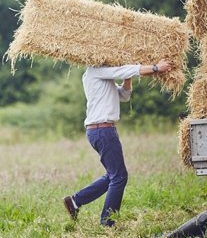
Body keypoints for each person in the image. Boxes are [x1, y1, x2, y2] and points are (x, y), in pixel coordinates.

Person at [62, 60, 175, 227]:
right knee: (120, 177)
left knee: (113, 175)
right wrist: (156, 68)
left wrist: (127, 78)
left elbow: (123, 95)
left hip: (100, 130)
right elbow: (125, 70)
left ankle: (75, 201)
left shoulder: (104, 76)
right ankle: (107, 222)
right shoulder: (96, 70)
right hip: (103, 130)